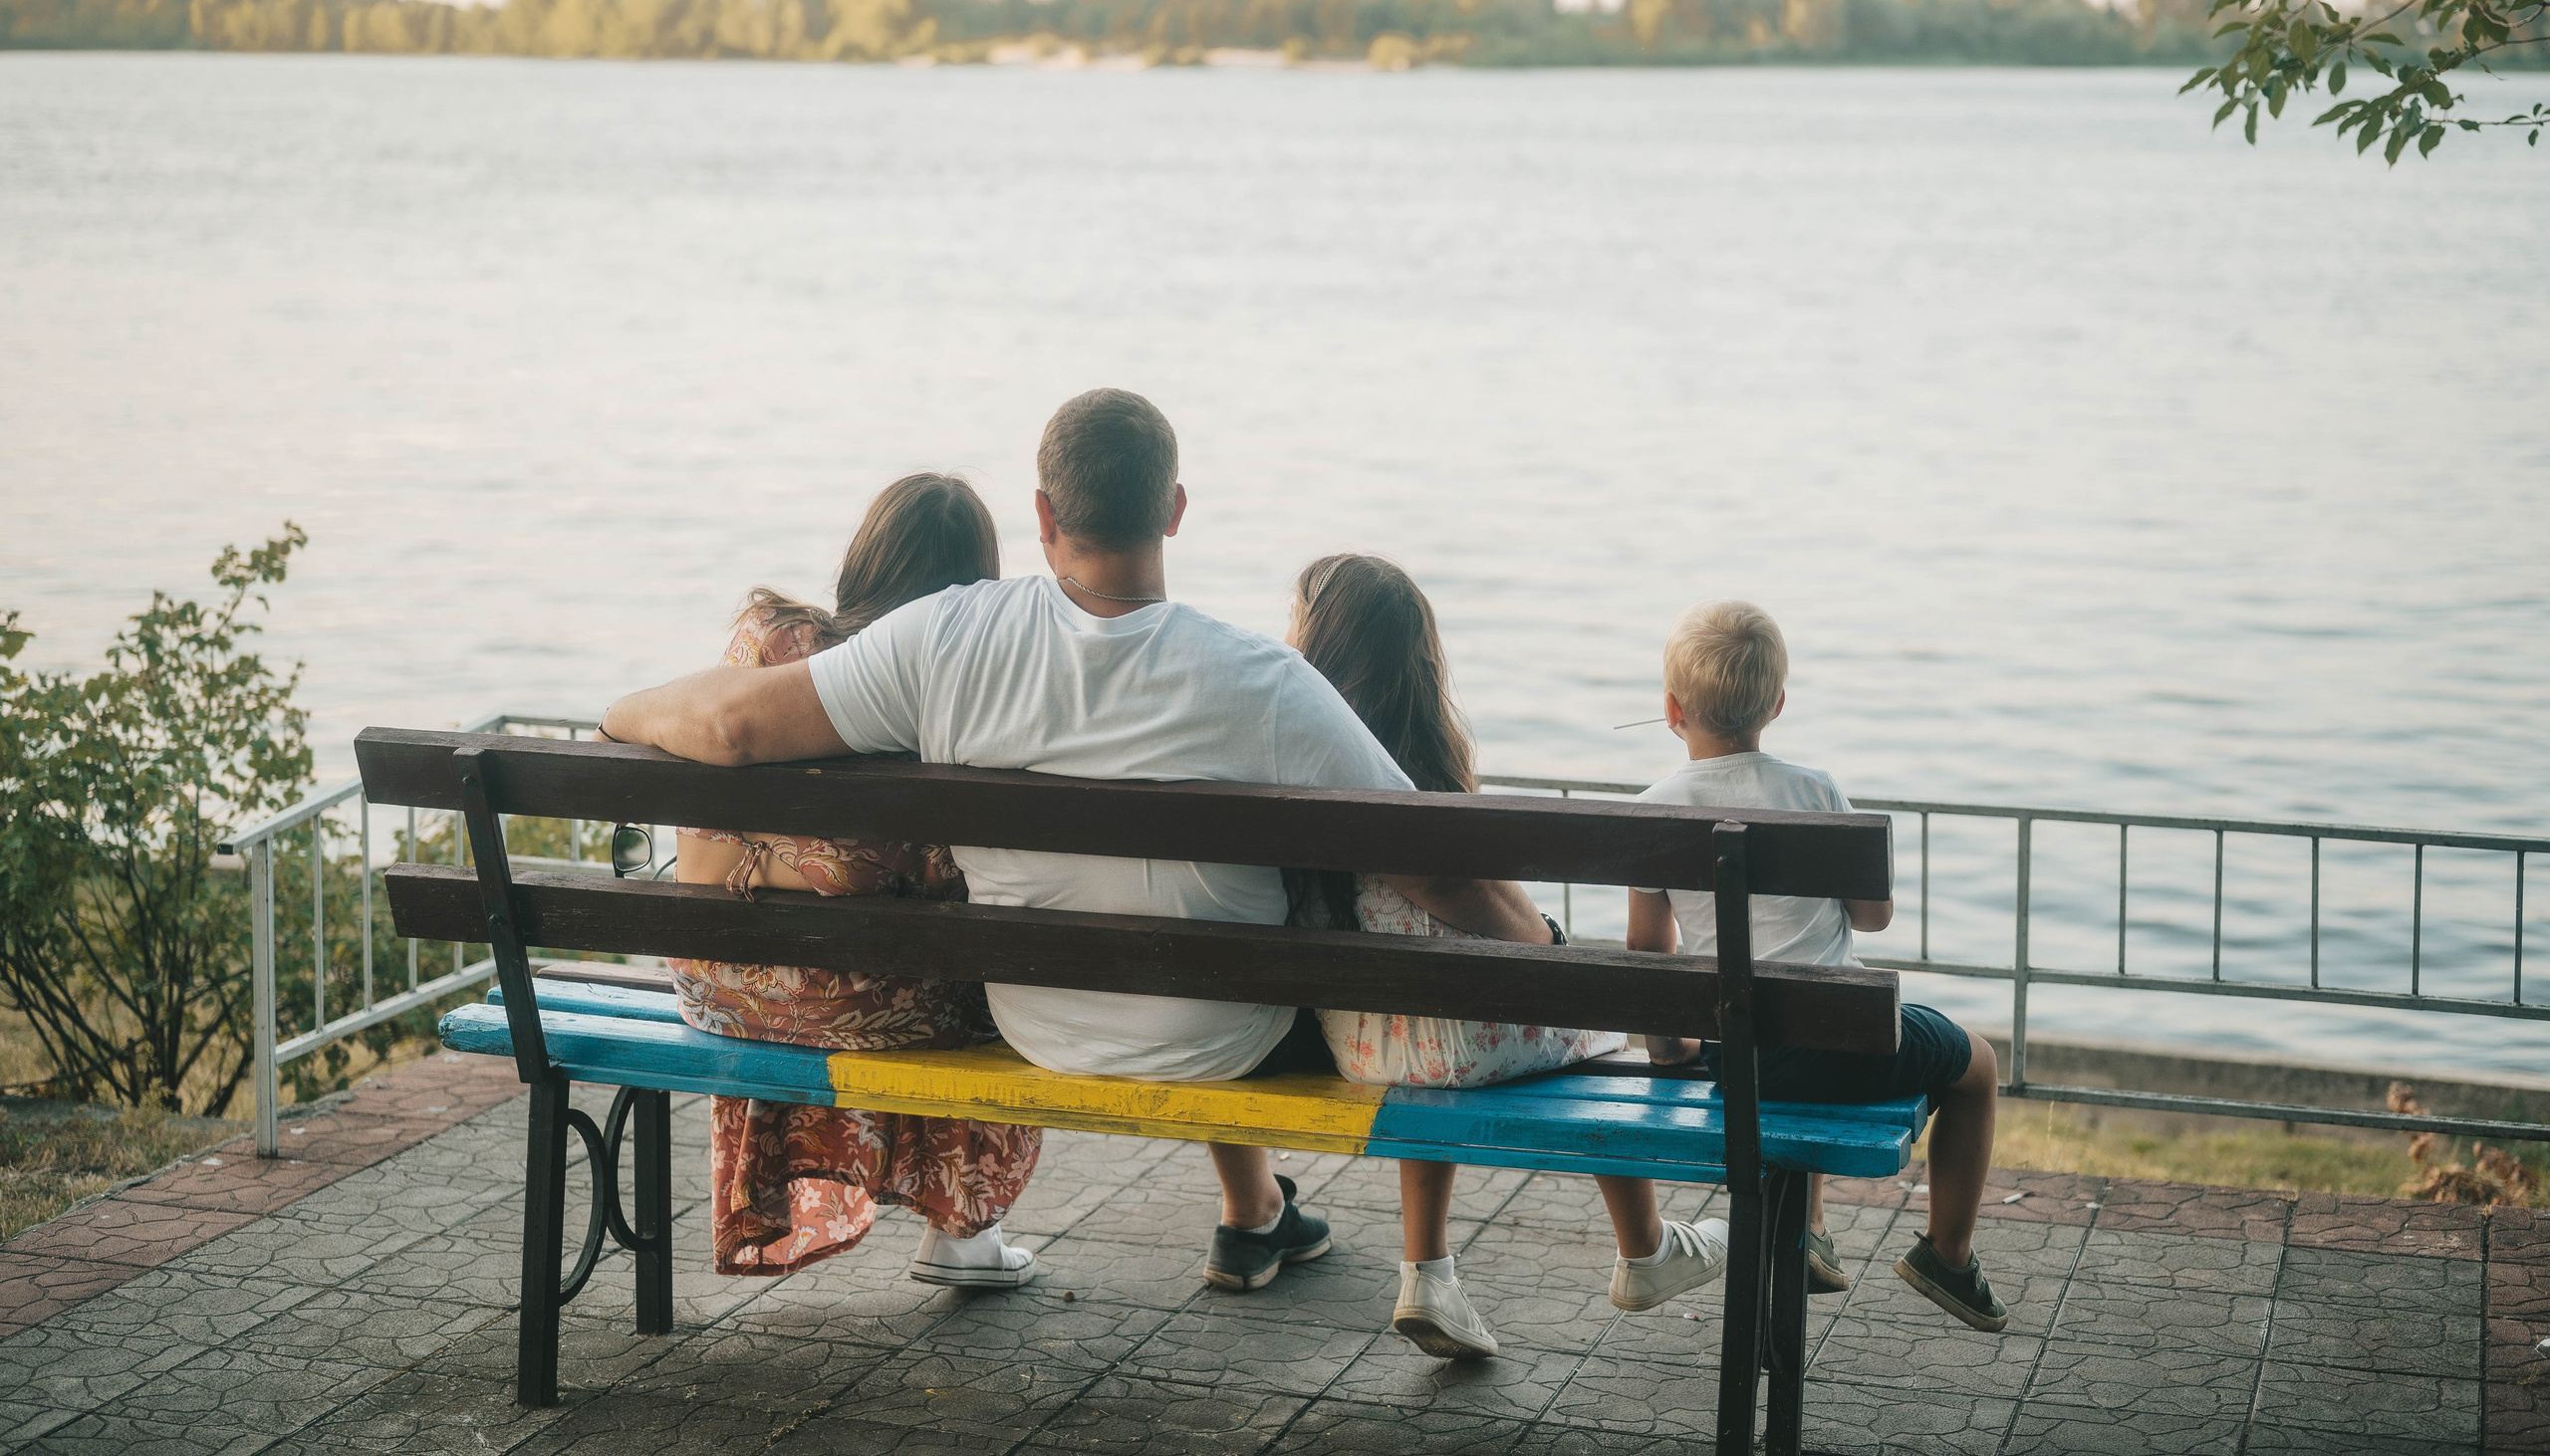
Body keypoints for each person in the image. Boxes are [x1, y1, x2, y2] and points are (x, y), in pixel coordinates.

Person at [604, 389, 1496, 1293]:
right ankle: (1267, 1212)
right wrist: (1539, 947)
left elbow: (732, 728)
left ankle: (1259, 1210)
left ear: (1041, 514)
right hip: (1223, 1039)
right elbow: (1434, 865)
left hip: (1036, 1022)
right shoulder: (1265, 678)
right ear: (1176, 509)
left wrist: (616, 713)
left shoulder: (943, 636)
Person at [1287, 554, 1731, 1360]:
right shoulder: (1410, 776)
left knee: (1433, 1044)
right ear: (1417, 665)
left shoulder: (1294, 758)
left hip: (1359, 1042)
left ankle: (1429, 1274)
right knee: (1595, 1034)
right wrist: (1552, 950)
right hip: (1456, 1041)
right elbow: (1461, 888)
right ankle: (1646, 1248)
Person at [661, 473, 1044, 1289]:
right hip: (905, 1004)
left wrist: (765, 857)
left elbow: (702, 859)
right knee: (977, 979)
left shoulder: (773, 642)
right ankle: (965, 1233)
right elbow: (928, 872)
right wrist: (855, 873)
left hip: (729, 989)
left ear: (862, 559)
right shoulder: (974, 680)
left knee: (914, 955)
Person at [1630, 600, 2006, 1333]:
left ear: (1673, 709)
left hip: (1735, 1056)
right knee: (1980, 1065)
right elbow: (1872, 917)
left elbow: (1650, 951)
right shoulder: (1817, 792)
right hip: (1840, 1046)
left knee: (1785, 1034)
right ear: (1775, 704)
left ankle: (1808, 1235)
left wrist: (1671, 1049)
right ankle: (1949, 1254)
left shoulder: (1653, 810)